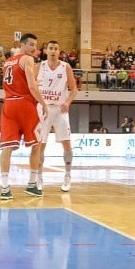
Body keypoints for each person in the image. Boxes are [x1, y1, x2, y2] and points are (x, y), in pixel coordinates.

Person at [0, 33, 48, 200]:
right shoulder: (27, 60)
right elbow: (32, 87)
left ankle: (5, 188)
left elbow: (11, 84)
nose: (35, 48)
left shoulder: (7, 62)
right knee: (37, 144)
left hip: (8, 104)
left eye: (36, 45)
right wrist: (44, 104)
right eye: (32, 45)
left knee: (7, 148)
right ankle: (32, 184)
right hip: (25, 105)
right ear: (23, 45)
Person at [35, 40, 78, 192]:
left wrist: (68, 102)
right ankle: (39, 177)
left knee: (66, 143)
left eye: (56, 49)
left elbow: (74, 89)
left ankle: (67, 175)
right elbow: (31, 86)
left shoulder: (66, 67)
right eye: (50, 48)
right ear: (46, 51)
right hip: (43, 108)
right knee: (40, 145)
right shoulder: (39, 66)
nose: (53, 51)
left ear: (59, 52)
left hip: (60, 109)